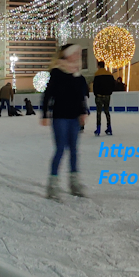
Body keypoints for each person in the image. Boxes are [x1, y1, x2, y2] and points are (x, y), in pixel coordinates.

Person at [40, 44, 89, 200]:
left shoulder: (78, 76)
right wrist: (45, 114)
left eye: (78, 53)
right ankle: (52, 184)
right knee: (60, 149)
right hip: (60, 116)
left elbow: (81, 97)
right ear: (67, 55)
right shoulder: (56, 73)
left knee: (74, 149)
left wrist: (83, 112)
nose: (77, 55)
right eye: (74, 53)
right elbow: (48, 95)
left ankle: (74, 183)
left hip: (74, 117)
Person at [91, 60, 116, 136]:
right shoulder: (109, 74)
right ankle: (109, 127)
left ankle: (98, 129)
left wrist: (96, 94)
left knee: (98, 112)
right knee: (107, 111)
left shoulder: (97, 74)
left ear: (99, 66)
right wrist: (109, 92)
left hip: (99, 96)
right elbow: (113, 84)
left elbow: (94, 86)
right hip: (107, 96)